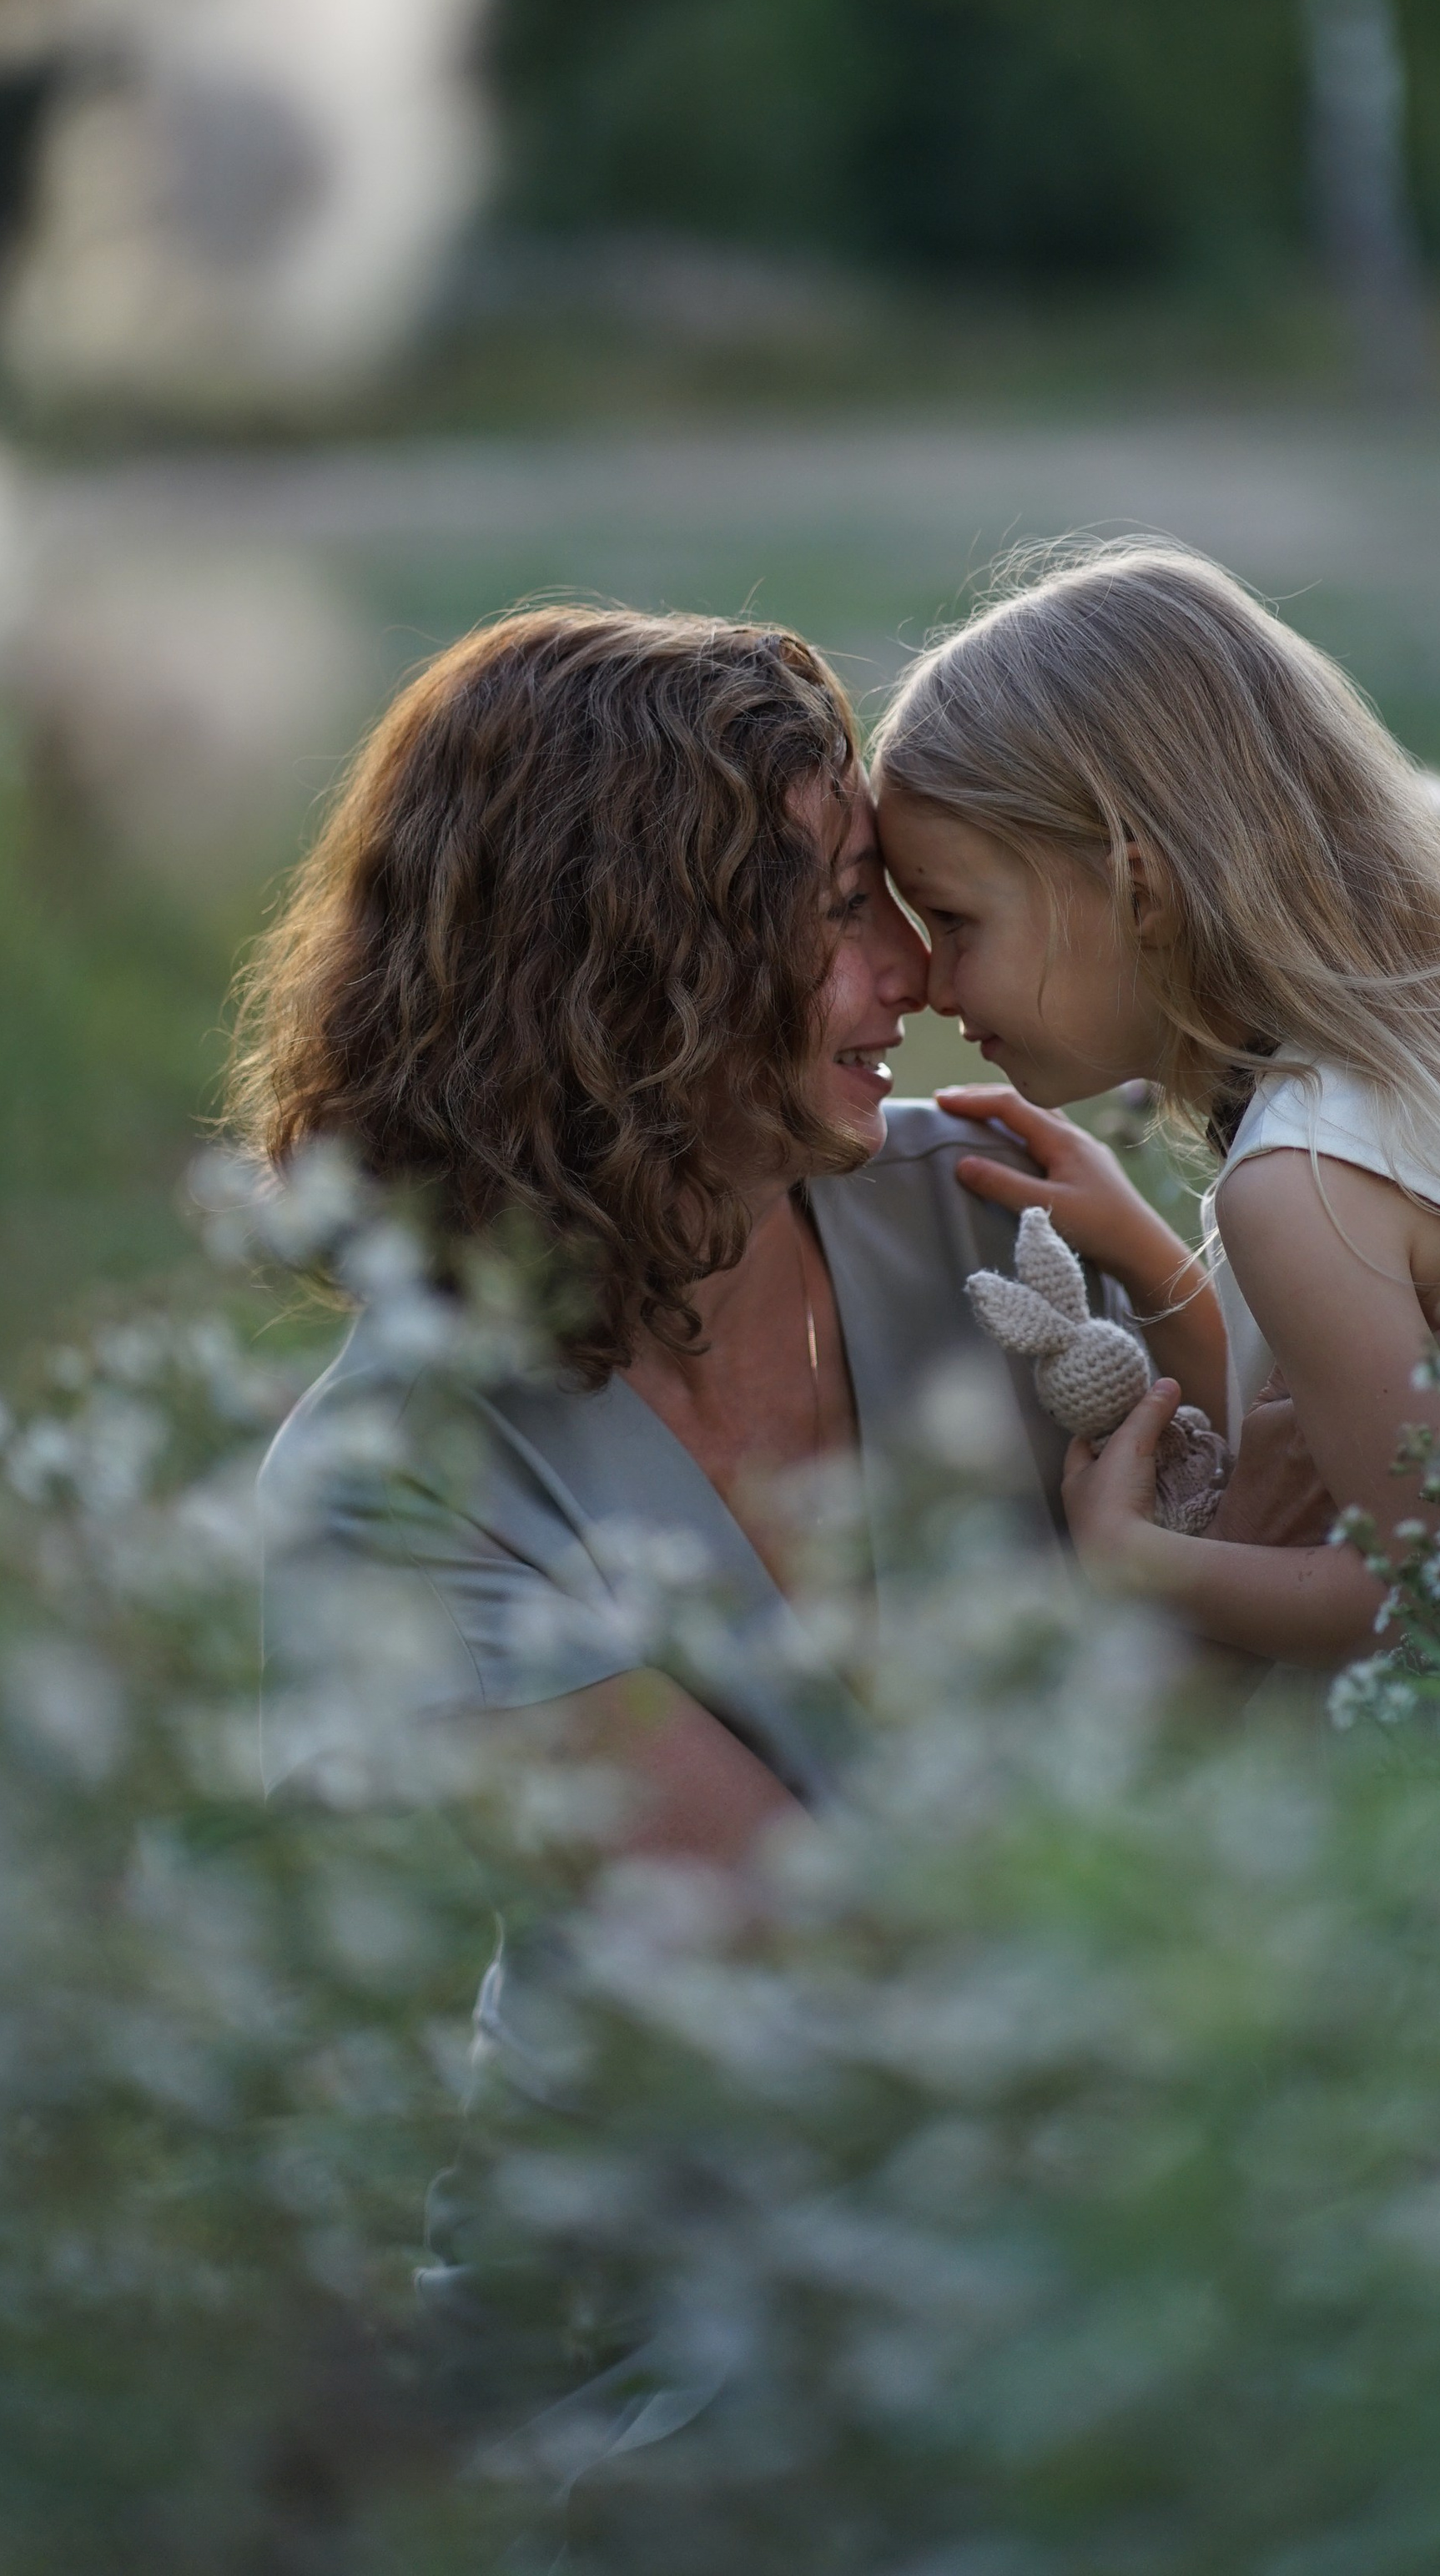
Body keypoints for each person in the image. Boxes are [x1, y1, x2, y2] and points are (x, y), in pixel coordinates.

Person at [238, 603, 1229, 1863]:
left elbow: (1286, 1608)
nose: (916, 972)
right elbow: (789, 1925)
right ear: (623, 975)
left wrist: (1171, 1286)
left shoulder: (994, 1208)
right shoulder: (399, 1482)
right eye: (842, 907)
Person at [873, 538, 1440, 1671]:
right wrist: (1154, 1259)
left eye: (954, 921)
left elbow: (1436, 1592)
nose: (934, 984)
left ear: (1138, 889)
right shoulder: (1437, 1062)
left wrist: (1131, 1558)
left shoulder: (1298, 1186)